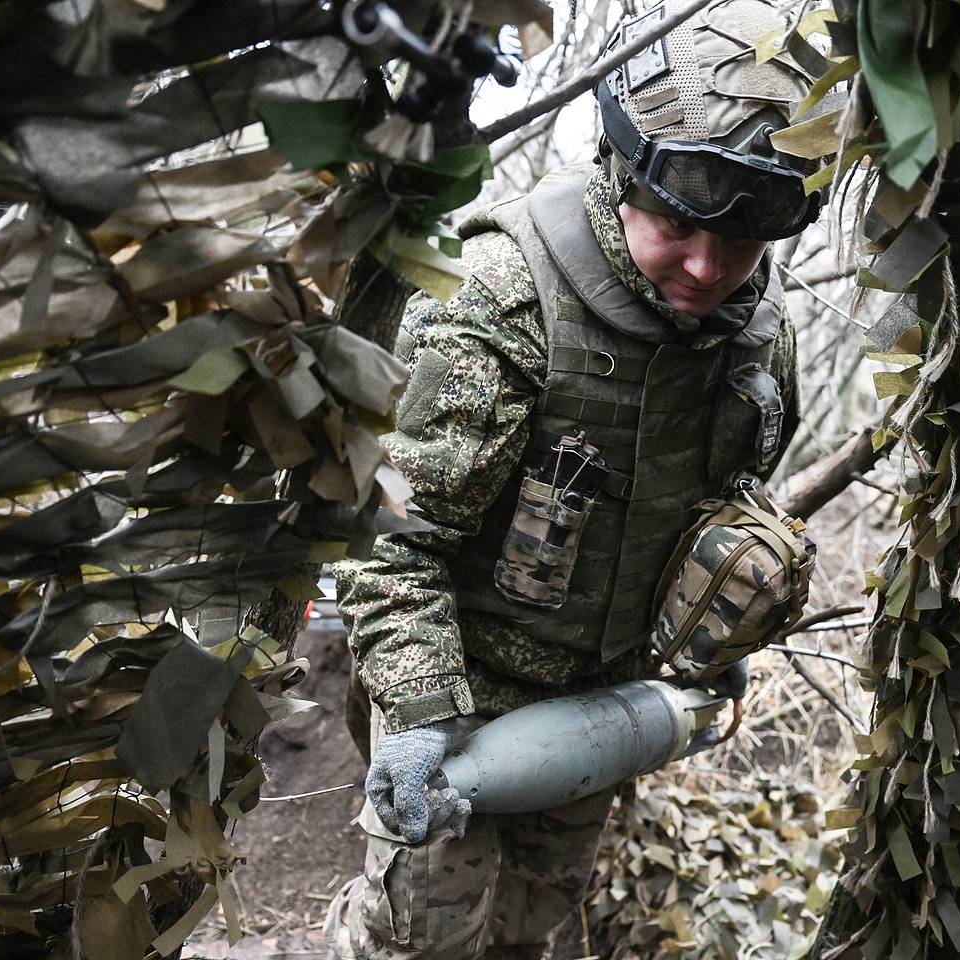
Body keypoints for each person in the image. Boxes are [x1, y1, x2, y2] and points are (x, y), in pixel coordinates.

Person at [324, 1, 822, 957]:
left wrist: (717, 627)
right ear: (624, 176)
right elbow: (388, 536)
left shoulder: (758, 337)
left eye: (743, 240)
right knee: (418, 940)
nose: (707, 267)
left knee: (531, 929)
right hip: (460, 692)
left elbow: (725, 502)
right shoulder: (502, 296)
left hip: (599, 698)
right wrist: (421, 714)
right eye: (679, 224)